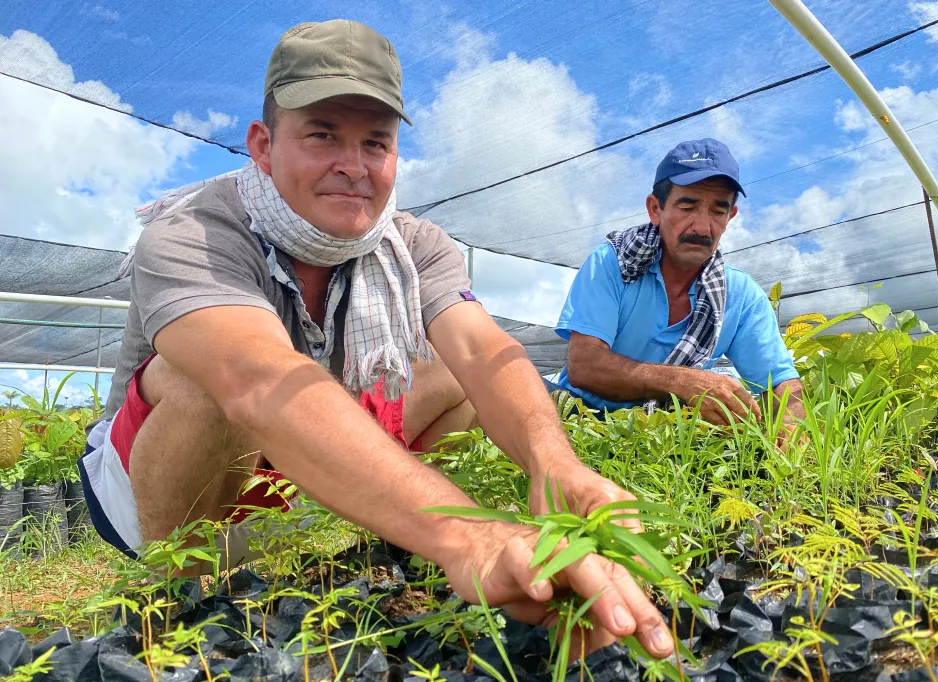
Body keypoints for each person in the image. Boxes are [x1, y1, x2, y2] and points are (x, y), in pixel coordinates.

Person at [77, 20, 673, 658]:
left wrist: (555, 464)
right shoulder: (195, 230)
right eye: (322, 134)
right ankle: (179, 608)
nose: (353, 167)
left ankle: (401, 550)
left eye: (375, 142)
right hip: (150, 498)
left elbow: (481, 350)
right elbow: (257, 381)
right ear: (263, 144)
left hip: (287, 480)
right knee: (201, 378)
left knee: (455, 379)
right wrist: (468, 535)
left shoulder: (414, 246)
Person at [550, 138, 804, 438]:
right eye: (687, 206)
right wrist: (683, 382)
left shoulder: (740, 294)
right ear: (655, 209)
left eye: (718, 211)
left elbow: (782, 384)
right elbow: (584, 366)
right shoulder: (613, 263)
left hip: (666, 435)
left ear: (730, 217)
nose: (702, 227)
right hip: (579, 418)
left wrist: (790, 431)